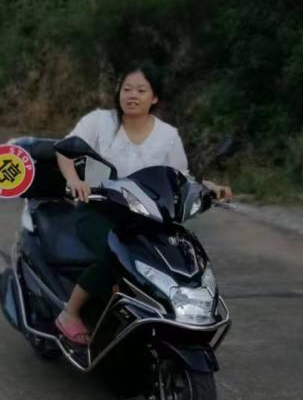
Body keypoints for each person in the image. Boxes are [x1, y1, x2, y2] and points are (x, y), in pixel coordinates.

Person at [54, 63, 232, 344]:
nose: (132, 95)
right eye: (126, 88)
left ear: (155, 97)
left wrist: (210, 187)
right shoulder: (100, 122)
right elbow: (65, 151)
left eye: (141, 90)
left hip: (149, 217)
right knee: (116, 253)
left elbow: (181, 177)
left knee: (180, 257)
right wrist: (75, 180)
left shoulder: (167, 135)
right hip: (100, 209)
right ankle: (70, 312)